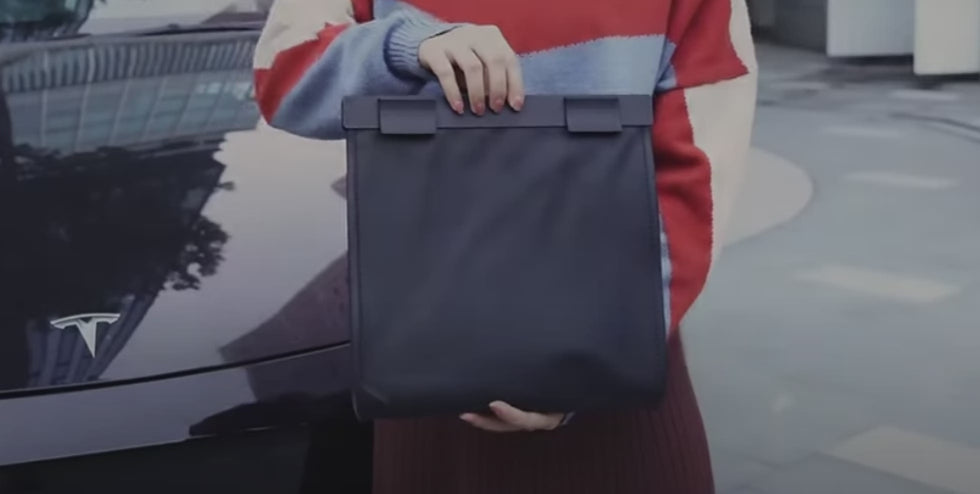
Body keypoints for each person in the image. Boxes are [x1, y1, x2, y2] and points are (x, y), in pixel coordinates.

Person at [254, 0, 757, 491]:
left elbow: (698, 173)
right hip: (429, 374)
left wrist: (599, 355)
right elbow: (283, 70)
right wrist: (407, 47)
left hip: (608, 392)